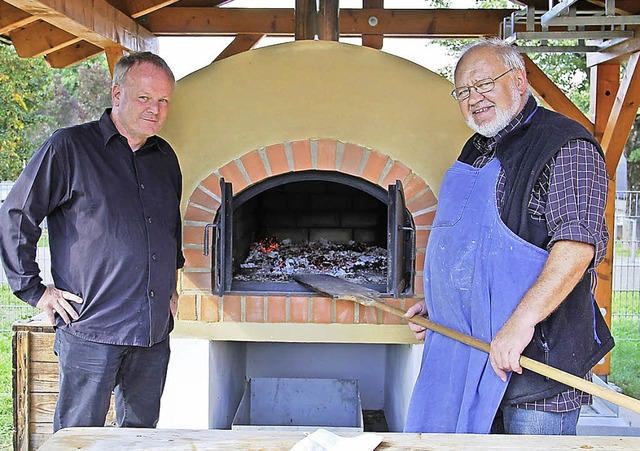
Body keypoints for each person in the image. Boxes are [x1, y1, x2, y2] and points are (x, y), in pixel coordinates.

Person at [404, 38, 614, 435]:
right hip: (470, 360)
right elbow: (476, 250)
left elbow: (576, 247)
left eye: (484, 84)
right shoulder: (476, 150)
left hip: (536, 369)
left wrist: (521, 323)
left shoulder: (566, 144)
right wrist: (444, 308)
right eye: (463, 91)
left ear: (519, 81)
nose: (473, 98)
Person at [0, 52, 184, 431]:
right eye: (144, 98)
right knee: (77, 437)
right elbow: (17, 215)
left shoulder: (164, 157)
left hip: (151, 332)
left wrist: (172, 286)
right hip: (91, 328)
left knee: (139, 436)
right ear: (117, 93)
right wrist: (34, 290)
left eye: (164, 100)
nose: (156, 109)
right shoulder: (68, 148)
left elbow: (169, 227)